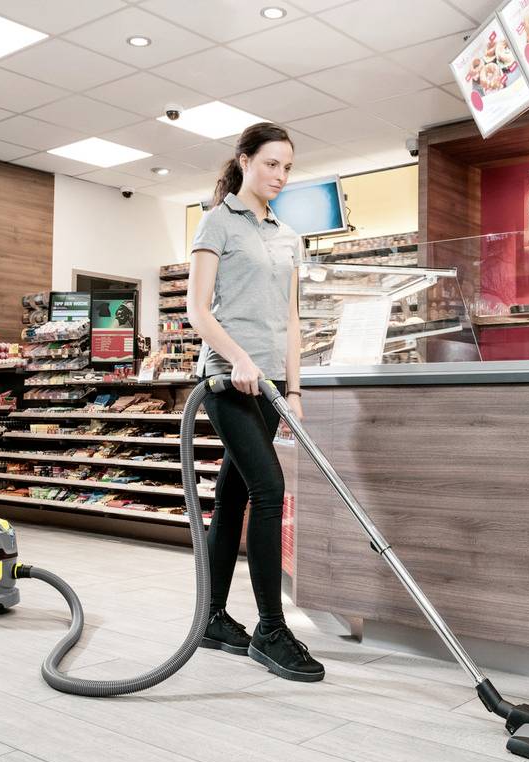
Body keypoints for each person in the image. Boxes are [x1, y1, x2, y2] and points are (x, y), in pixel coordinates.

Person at [186, 122, 324, 682]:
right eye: (271, 164)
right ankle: (271, 628)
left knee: (235, 493)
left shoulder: (288, 236)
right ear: (244, 160)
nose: (280, 176)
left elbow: (290, 320)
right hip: (226, 382)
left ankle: (214, 618)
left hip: (268, 388)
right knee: (270, 490)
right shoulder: (217, 221)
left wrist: (293, 388)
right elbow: (198, 310)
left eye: (288, 167)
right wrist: (238, 358)